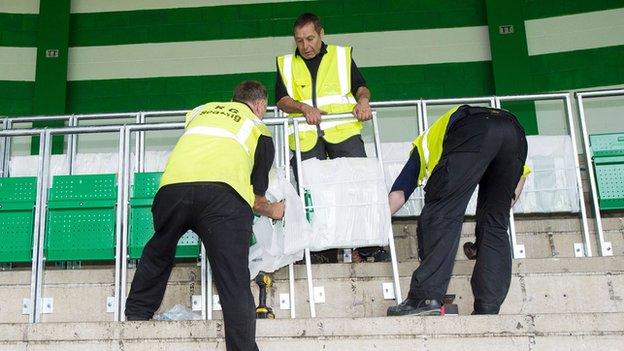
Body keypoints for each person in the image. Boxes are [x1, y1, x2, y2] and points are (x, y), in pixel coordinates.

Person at [125, 81, 284, 351]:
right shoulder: (259, 128)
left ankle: (136, 316)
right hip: (222, 199)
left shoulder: (201, 111)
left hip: (172, 190)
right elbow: (256, 199)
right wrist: (275, 210)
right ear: (260, 105)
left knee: (159, 249)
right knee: (233, 277)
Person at [386, 105, 530, 316]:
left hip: (474, 129)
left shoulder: (422, 147)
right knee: (495, 224)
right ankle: (488, 307)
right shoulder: (445, 134)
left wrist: (375, 226)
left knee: (440, 213)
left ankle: (425, 298)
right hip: (515, 133)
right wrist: (496, 211)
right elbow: (520, 178)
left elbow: (398, 194)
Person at [275, 12, 387, 263]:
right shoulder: (285, 63)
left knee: (359, 187)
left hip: (343, 130)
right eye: (299, 40)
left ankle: (367, 246)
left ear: (321, 34)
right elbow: (282, 100)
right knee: (312, 195)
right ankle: (321, 251)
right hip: (306, 137)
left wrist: (364, 101)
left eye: (310, 38)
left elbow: (361, 86)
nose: (305, 46)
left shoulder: (340, 55)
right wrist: (304, 108)